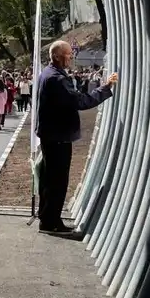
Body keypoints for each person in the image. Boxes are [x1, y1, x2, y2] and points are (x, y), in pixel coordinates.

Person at [35, 41, 118, 234]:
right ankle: (51, 223)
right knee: (58, 181)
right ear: (57, 56)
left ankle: (46, 217)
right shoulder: (57, 79)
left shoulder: (47, 74)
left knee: (49, 179)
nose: (71, 58)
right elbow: (80, 101)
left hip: (50, 135)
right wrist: (105, 88)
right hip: (59, 137)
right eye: (68, 55)